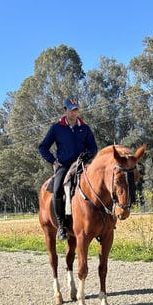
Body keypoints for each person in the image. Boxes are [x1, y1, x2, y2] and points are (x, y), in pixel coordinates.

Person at [38, 97, 97, 240]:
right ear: (65, 111)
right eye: (71, 109)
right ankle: (61, 226)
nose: (74, 112)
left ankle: (102, 222)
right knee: (57, 190)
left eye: (76, 109)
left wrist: (87, 155)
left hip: (81, 164)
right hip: (64, 166)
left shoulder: (85, 128)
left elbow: (93, 147)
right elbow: (43, 147)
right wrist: (53, 161)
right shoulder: (56, 128)